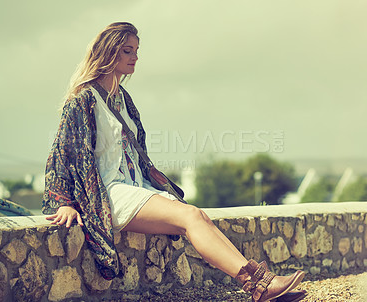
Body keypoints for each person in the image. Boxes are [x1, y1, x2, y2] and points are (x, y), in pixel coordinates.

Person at [42, 22, 306, 302]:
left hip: (136, 187)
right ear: (109, 52)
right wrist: (64, 202)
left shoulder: (123, 99)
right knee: (190, 217)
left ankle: (260, 286)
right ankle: (260, 285)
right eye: (127, 50)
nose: (135, 57)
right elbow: (61, 152)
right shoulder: (83, 100)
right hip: (109, 193)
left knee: (197, 215)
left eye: (136, 51)